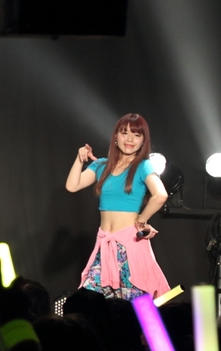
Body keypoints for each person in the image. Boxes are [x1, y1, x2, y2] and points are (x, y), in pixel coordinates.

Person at [65, 113, 170, 299]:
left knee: (135, 301)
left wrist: (141, 220)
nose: (129, 139)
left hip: (129, 243)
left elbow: (160, 195)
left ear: (143, 141)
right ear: (115, 136)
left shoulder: (143, 166)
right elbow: (72, 186)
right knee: (94, 302)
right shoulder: (102, 165)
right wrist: (80, 159)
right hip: (105, 243)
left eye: (136, 135)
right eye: (124, 133)